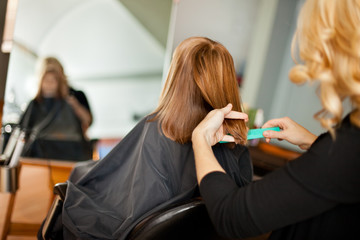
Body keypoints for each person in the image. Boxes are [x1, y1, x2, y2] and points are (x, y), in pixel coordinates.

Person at [38, 36, 251, 240]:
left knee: (81, 179)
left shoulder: (157, 127)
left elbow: (131, 195)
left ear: (176, 79)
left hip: (140, 227)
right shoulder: (238, 148)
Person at [191, 0, 360, 239]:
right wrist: (314, 142)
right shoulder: (349, 138)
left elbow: (232, 217)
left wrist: (199, 138)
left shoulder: (345, 152)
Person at [19, 58, 92, 160]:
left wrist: (74, 104)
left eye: (53, 79)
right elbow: (24, 128)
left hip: (72, 152)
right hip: (41, 156)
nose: (49, 84)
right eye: (46, 79)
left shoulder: (76, 96)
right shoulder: (35, 103)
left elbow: (88, 121)